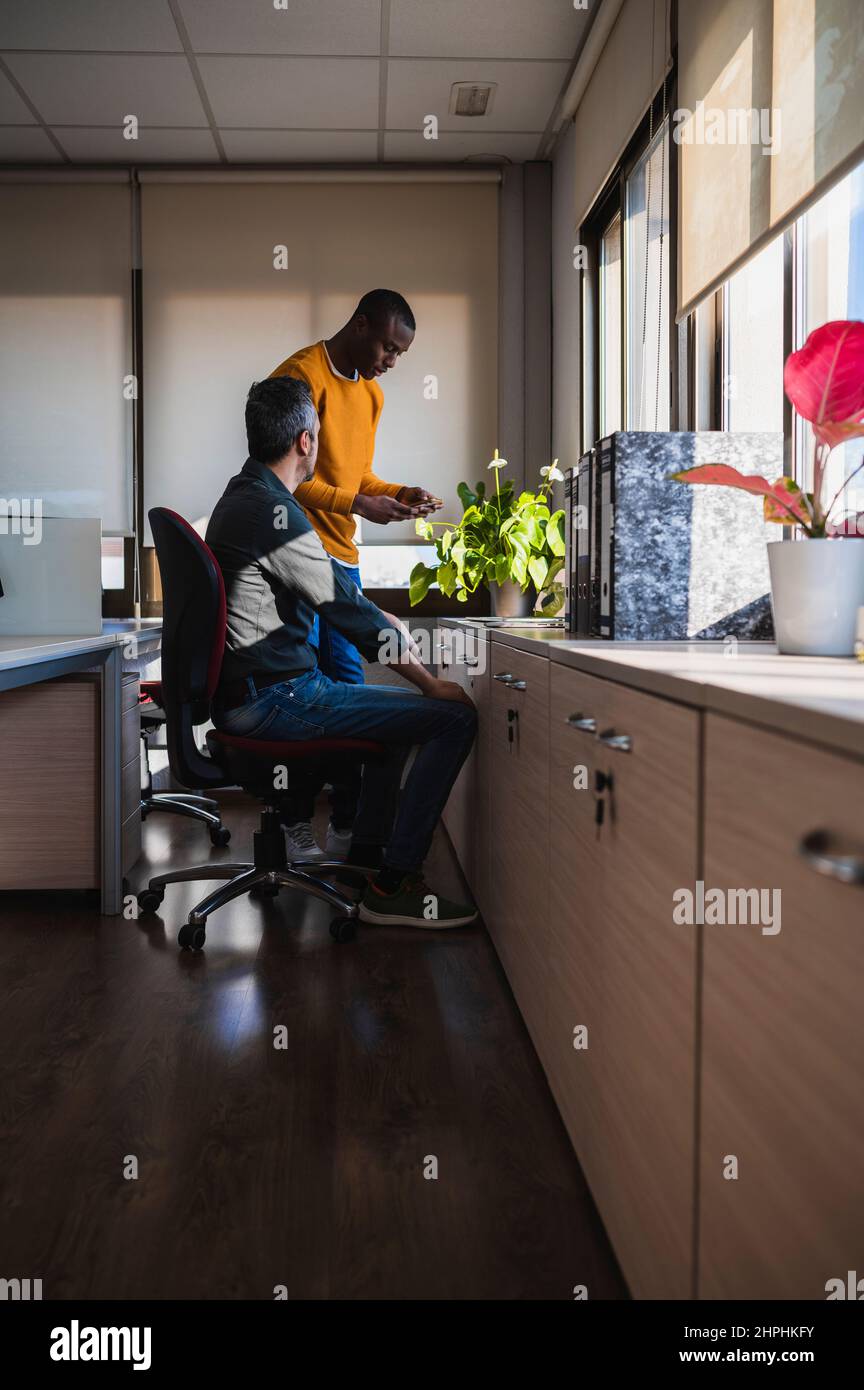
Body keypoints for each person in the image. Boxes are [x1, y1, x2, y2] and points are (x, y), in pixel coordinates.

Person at [205, 376, 478, 930]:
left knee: (387, 729)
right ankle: (397, 882)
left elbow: (336, 598)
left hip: (255, 693)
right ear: (306, 441)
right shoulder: (274, 514)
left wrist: (375, 615)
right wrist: (430, 683)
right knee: (452, 719)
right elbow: (347, 613)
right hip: (278, 698)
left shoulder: (242, 498)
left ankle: (368, 863)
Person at [268, 289, 441, 862]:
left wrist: (395, 493)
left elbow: (358, 474)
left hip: (342, 560)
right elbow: (288, 478)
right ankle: (291, 822)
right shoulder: (300, 375)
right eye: (387, 347)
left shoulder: (371, 395)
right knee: (300, 695)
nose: (390, 361)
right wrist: (358, 505)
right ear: (360, 324)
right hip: (298, 559)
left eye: (399, 355)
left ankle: (346, 824)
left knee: (347, 695)